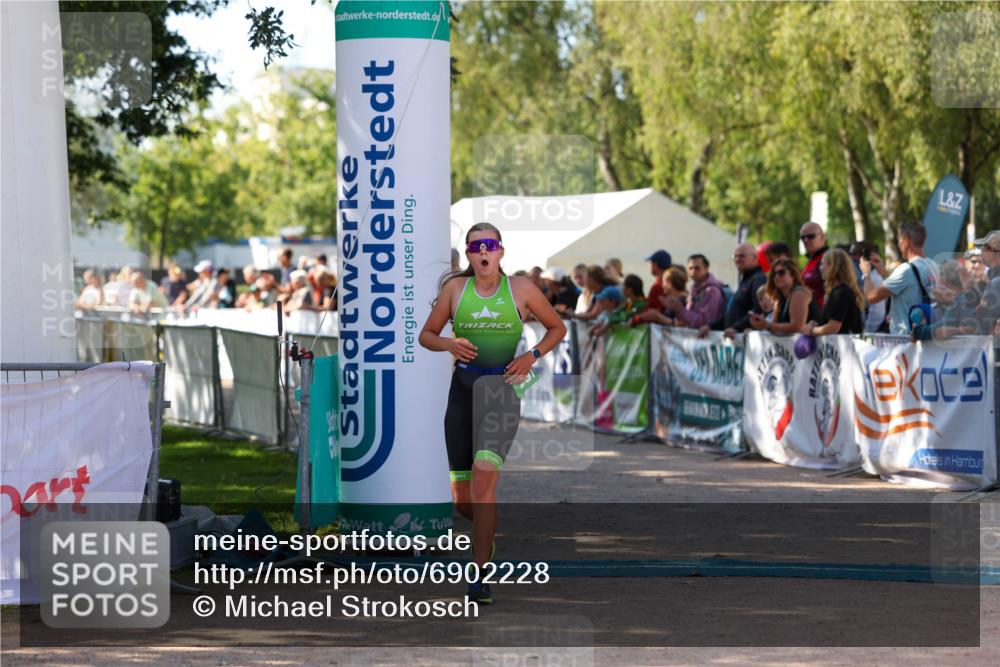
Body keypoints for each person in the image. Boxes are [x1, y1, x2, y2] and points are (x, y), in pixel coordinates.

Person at [419, 222, 566, 605]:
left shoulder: (522, 289)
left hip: (501, 391)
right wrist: (448, 342)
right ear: (468, 254)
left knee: (485, 483)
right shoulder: (455, 290)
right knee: (462, 500)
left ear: (501, 251)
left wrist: (530, 356)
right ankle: (487, 536)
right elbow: (426, 335)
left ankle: (479, 576)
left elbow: (557, 328)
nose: (482, 252)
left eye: (489, 245)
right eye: (474, 247)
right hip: (463, 391)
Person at [863, 221, 937, 335]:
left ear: (906, 239)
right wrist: (884, 272)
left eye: (899, 240)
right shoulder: (934, 266)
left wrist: (866, 273)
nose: (898, 245)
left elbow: (871, 297)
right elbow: (911, 287)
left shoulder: (905, 270)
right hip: (926, 337)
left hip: (906, 342)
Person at [699, 243, 767, 338]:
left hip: (746, 343)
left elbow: (759, 309)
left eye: (742, 256)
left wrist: (737, 328)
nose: (738, 259)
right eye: (735, 256)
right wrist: (710, 326)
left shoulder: (758, 279)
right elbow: (733, 313)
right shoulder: (746, 280)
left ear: (755, 258)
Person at [802, 249, 865, 336]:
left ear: (832, 266)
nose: (820, 268)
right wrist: (817, 324)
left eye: (822, 264)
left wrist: (812, 330)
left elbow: (833, 327)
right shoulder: (840, 291)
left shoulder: (840, 293)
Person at [751, 259, 820, 334]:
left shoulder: (799, 293)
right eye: (774, 274)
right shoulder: (778, 299)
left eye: (781, 273)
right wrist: (760, 323)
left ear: (793, 275)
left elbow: (797, 327)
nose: (777, 276)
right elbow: (774, 326)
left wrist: (767, 325)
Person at [663, 254, 726, 328]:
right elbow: (687, 319)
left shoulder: (712, 291)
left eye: (697, 268)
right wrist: (677, 309)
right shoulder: (694, 289)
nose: (693, 271)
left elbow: (706, 322)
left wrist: (680, 309)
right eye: (690, 268)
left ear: (706, 269)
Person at [850, 241, 888, 332]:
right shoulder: (865, 278)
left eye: (855, 254)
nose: (851, 258)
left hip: (873, 336)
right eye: (850, 254)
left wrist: (867, 332)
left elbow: (877, 313)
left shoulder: (875, 279)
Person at [799, 222, 829, 307]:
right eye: (802, 237)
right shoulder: (811, 259)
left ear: (822, 237)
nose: (805, 240)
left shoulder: (828, 258)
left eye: (811, 236)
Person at [642, 249, 672, 315]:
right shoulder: (673, 284)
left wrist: (634, 320)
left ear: (655, 265)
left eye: (651, 263)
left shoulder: (657, 286)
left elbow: (649, 311)